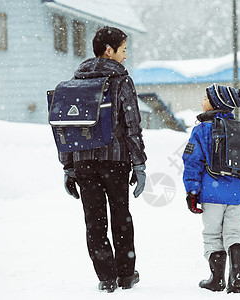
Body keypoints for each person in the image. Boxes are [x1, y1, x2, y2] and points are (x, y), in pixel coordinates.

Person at [59, 26, 147, 293]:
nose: (125, 56)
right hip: (116, 160)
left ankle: (106, 277)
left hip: (84, 162)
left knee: (94, 221)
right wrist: (140, 163)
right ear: (109, 51)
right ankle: (126, 275)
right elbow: (132, 125)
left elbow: (67, 126)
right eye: (123, 50)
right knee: (121, 217)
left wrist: (69, 166)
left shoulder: (76, 81)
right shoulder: (121, 80)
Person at [182, 84, 240, 293]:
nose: (201, 102)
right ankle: (238, 275)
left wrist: (192, 191)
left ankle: (217, 279)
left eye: (205, 98)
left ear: (216, 103)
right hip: (238, 193)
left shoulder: (201, 130)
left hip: (212, 193)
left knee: (213, 235)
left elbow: (191, 161)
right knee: (235, 233)